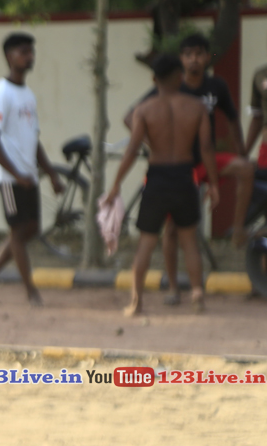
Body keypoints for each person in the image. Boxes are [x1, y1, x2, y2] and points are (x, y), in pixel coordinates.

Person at [125, 34, 254, 298]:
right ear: (181, 60)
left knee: (247, 168)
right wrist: (154, 143)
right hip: (182, 168)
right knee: (173, 232)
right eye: (188, 55)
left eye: (198, 54)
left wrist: (241, 151)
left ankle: (238, 229)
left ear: (207, 57)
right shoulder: (172, 86)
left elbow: (232, 121)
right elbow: (131, 116)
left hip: (207, 161)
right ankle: (174, 287)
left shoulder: (216, 86)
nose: (194, 59)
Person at [105, 55, 219, 315]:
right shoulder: (196, 108)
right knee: (189, 240)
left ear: (154, 79)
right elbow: (206, 148)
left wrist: (116, 184)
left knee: (146, 241)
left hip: (157, 177)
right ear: (180, 77)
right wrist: (213, 183)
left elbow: (132, 150)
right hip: (185, 176)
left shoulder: (144, 110)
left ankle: (137, 301)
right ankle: (197, 293)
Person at [0, 32, 63, 307]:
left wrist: (51, 173)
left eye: (31, 52)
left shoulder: (28, 95)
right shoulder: (0, 93)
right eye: (23, 52)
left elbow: (34, 139)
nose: (29, 57)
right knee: (18, 233)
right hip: (9, 178)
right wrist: (15, 174)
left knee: (30, 230)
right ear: (9, 56)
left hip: (28, 176)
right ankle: (30, 291)